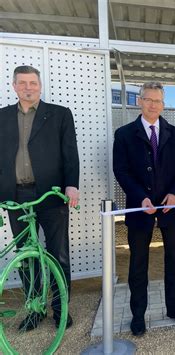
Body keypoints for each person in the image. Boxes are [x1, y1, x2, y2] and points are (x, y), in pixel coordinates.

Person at [0, 65, 80, 330]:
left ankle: (61, 310)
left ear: (40, 85)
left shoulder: (59, 115)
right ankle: (35, 309)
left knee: (58, 254)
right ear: (14, 86)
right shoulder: (2, 117)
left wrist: (71, 186)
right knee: (26, 255)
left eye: (32, 83)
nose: (28, 88)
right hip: (15, 196)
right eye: (22, 83)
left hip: (51, 194)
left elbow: (70, 152)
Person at [113, 81, 175, 336]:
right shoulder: (124, 134)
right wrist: (139, 198)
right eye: (149, 100)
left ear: (163, 103)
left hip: (170, 209)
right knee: (138, 263)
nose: (153, 105)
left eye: (158, 101)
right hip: (140, 209)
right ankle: (138, 314)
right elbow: (121, 170)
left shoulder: (174, 133)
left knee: (174, 260)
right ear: (140, 101)